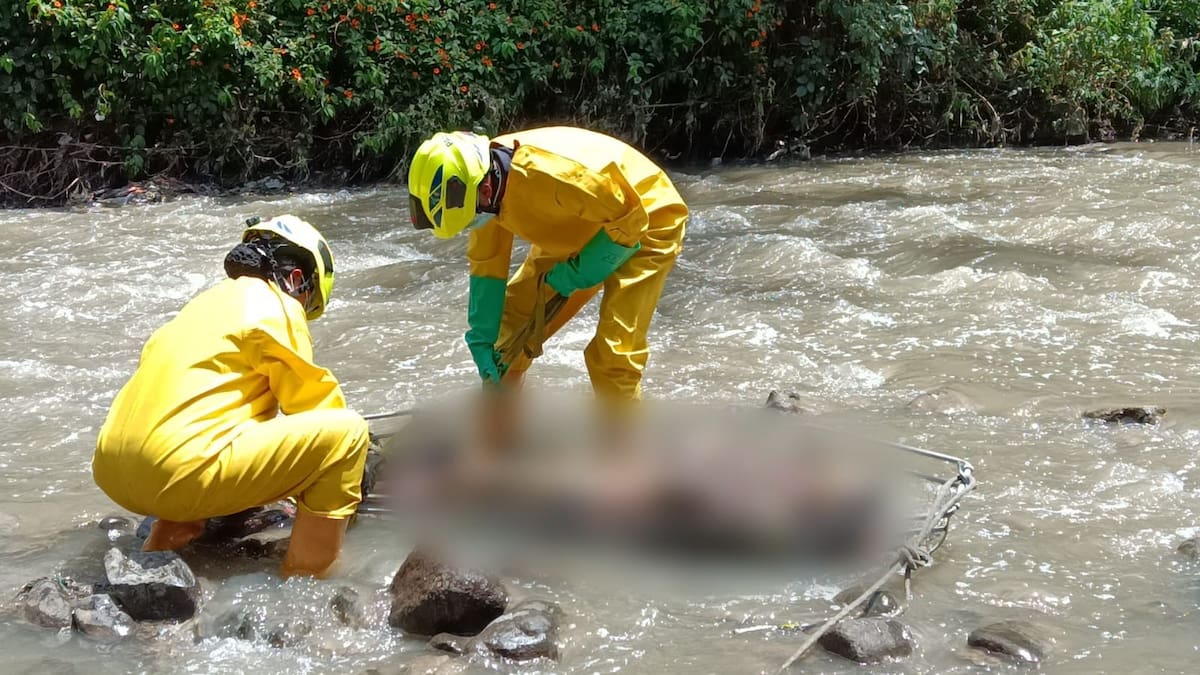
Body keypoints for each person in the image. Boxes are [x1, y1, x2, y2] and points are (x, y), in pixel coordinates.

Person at [92, 215, 370, 579]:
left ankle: (163, 547)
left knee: (206, 425)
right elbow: (315, 406)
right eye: (308, 301)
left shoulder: (203, 306)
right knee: (348, 435)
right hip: (176, 470)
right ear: (298, 279)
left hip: (112, 469)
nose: (302, 309)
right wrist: (357, 475)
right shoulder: (276, 304)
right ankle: (308, 578)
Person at [406, 126, 688, 403]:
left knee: (612, 354)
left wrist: (581, 272)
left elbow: (631, 219)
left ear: (486, 188)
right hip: (578, 225)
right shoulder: (482, 189)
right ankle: (499, 435)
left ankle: (623, 444)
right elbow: (488, 263)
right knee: (510, 333)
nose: (473, 224)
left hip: (647, 219)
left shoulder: (552, 176)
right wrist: (482, 336)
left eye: (471, 218)